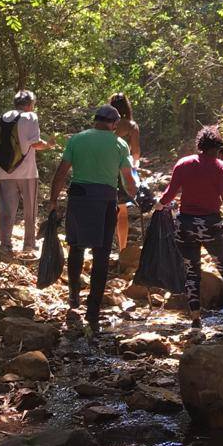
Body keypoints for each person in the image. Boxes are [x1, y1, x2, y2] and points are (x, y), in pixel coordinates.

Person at [48, 104, 137, 334]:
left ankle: (74, 295)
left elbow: (61, 171)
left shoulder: (77, 139)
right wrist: (136, 194)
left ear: (95, 120)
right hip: (105, 202)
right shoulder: (119, 144)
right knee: (101, 254)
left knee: (76, 247)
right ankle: (93, 311)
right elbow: (128, 180)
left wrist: (53, 200)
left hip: (79, 199)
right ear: (114, 124)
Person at [157, 125, 223, 328]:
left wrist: (157, 206)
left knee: (192, 272)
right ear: (218, 148)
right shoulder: (221, 167)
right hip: (211, 225)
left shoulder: (183, 163)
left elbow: (170, 193)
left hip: (185, 225)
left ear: (199, 145)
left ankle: (195, 319)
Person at [0, 90, 55, 256]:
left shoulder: (2, 118)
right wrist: (49, 145)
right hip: (27, 172)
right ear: (30, 104)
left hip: (5, 172)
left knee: (6, 209)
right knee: (29, 209)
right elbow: (36, 143)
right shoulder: (30, 117)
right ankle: (29, 244)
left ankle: (5, 245)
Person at [109, 93, 141, 253]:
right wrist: (135, 169)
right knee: (122, 212)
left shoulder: (108, 124)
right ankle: (122, 248)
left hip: (106, 168)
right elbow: (135, 152)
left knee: (106, 209)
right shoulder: (132, 126)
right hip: (124, 169)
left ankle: (105, 246)